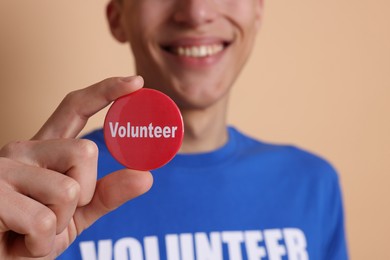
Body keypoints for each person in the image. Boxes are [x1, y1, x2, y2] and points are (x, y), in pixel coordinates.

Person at [0, 0, 348, 259]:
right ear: (118, 17)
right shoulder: (50, 197)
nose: (196, 12)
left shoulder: (312, 183)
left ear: (257, 9)